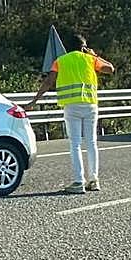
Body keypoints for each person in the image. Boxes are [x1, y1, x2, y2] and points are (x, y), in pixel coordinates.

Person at [27, 36, 115, 193]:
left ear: (67, 48)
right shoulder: (90, 59)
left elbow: (48, 82)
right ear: (84, 47)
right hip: (90, 105)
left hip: (71, 106)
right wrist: (94, 55)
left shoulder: (60, 61)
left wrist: (34, 101)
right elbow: (110, 69)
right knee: (91, 143)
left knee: (75, 144)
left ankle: (78, 181)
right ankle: (94, 180)